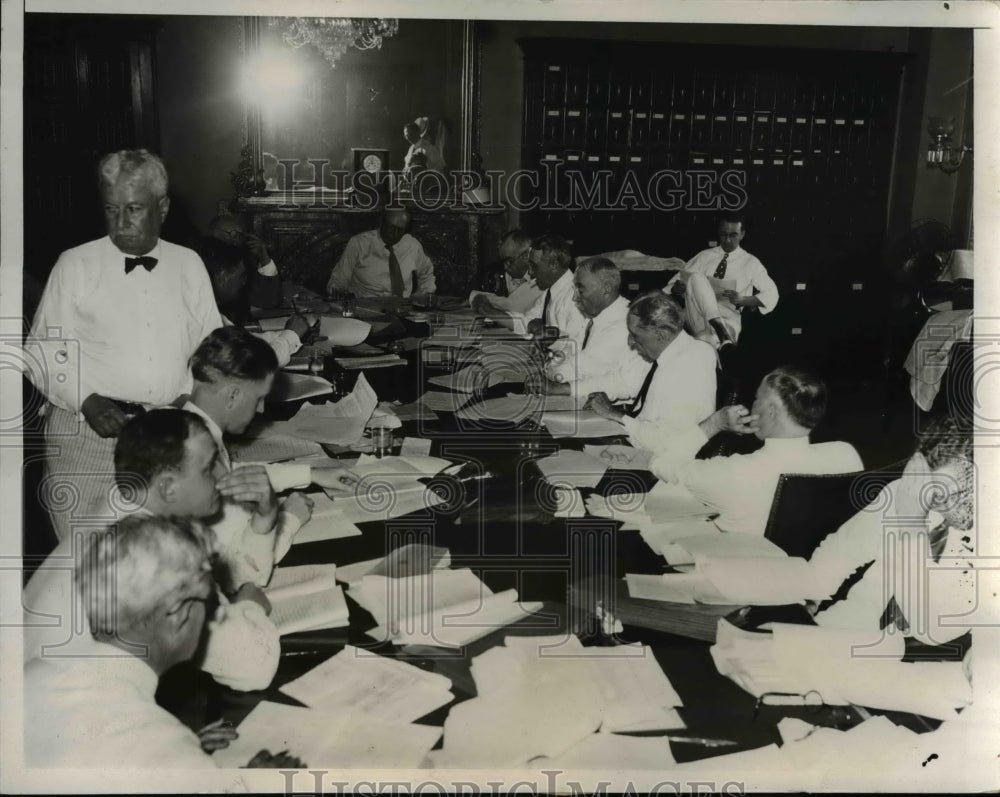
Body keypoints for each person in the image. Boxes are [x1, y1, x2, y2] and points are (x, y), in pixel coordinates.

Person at [28, 149, 222, 542]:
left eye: (134, 209)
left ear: (162, 208)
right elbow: (41, 351)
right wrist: (86, 399)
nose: (121, 223)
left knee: (162, 557)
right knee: (91, 562)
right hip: (86, 441)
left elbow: (210, 348)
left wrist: (187, 394)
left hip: (164, 439)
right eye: (111, 209)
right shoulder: (75, 265)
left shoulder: (189, 265)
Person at [22, 409, 282, 692]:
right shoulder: (155, 555)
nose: (221, 476)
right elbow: (253, 667)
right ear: (168, 488)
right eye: (209, 468)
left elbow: (234, 574)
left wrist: (265, 518)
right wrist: (252, 606)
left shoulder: (122, 507)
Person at [24, 513, 305, 773]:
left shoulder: (34, 672)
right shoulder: (162, 744)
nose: (215, 616)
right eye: (209, 603)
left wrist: (186, 747)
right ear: (179, 616)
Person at [709, 415, 975, 646]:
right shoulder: (907, 493)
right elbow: (837, 557)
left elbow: (931, 630)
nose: (932, 502)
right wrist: (803, 603)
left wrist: (911, 525)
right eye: (929, 489)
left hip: (917, 660)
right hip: (852, 630)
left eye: (948, 494)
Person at [650, 366, 864, 535]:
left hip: (738, 568)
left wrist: (714, 423)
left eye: (756, 399)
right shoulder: (845, 454)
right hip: (808, 567)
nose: (752, 405)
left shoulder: (735, 472)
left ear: (771, 411)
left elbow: (661, 464)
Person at [585, 291, 717, 450]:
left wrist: (614, 414)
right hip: (640, 441)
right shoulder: (668, 351)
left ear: (660, 335)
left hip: (660, 456)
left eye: (635, 335)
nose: (630, 342)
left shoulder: (690, 364)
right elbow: (623, 381)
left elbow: (668, 442)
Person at [533, 257, 646, 401]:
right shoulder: (596, 316)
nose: (574, 298)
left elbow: (572, 371)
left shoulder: (621, 325)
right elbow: (574, 349)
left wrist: (546, 368)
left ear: (606, 289)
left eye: (580, 290)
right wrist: (553, 345)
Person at [200, 233, 316, 368]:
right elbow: (253, 364)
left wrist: (291, 333)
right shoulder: (204, 316)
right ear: (221, 275)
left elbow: (243, 342)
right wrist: (291, 335)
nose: (243, 282)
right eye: (241, 276)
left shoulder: (211, 310)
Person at [666, 214, 778, 348]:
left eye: (733, 235)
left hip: (728, 316)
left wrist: (743, 300)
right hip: (696, 313)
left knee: (705, 340)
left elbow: (772, 294)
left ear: (742, 234)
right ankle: (721, 331)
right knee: (696, 277)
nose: (727, 240)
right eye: (723, 234)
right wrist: (676, 289)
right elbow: (672, 284)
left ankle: (718, 334)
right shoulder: (704, 256)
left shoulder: (751, 262)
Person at [327, 206, 436, 300]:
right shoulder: (359, 243)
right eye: (391, 227)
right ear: (381, 222)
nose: (395, 233)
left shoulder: (413, 245)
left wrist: (421, 296)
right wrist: (341, 295)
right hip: (365, 309)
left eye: (400, 230)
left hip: (402, 310)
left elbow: (427, 274)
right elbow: (338, 281)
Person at [521, 234, 588, 345]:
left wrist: (544, 331)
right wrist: (534, 324)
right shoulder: (549, 291)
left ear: (554, 265)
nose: (530, 272)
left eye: (534, 266)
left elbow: (573, 345)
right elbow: (529, 319)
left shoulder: (575, 297)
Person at [469, 228, 543, 316]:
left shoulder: (541, 273)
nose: (505, 267)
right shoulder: (506, 273)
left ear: (526, 256)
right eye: (503, 262)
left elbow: (512, 306)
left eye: (509, 261)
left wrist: (476, 297)